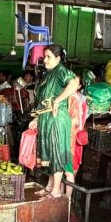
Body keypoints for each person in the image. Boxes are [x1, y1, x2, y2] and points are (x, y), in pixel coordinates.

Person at [31, 44, 80, 198]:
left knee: (56, 152)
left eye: (48, 57)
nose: (44, 60)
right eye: (44, 56)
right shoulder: (48, 75)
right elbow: (42, 99)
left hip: (57, 118)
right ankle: (50, 186)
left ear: (58, 59)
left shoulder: (60, 71)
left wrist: (58, 101)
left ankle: (56, 191)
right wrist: (37, 118)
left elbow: (74, 83)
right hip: (47, 118)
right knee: (51, 153)